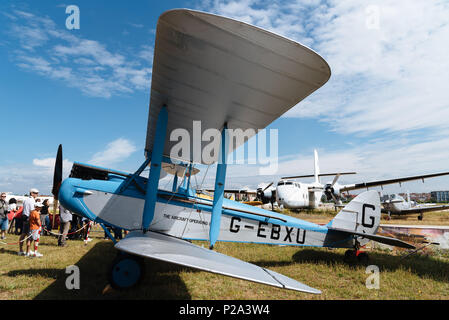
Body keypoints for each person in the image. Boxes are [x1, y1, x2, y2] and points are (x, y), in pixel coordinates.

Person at [18, 188, 39, 255]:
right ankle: (28, 251)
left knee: (23, 234)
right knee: (30, 236)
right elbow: (32, 211)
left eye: (37, 193)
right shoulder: (32, 200)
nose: (37, 194)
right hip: (29, 219)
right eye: (35, 193)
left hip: (25, 218)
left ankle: (21, 250)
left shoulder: (25, 199)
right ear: (31, 193)